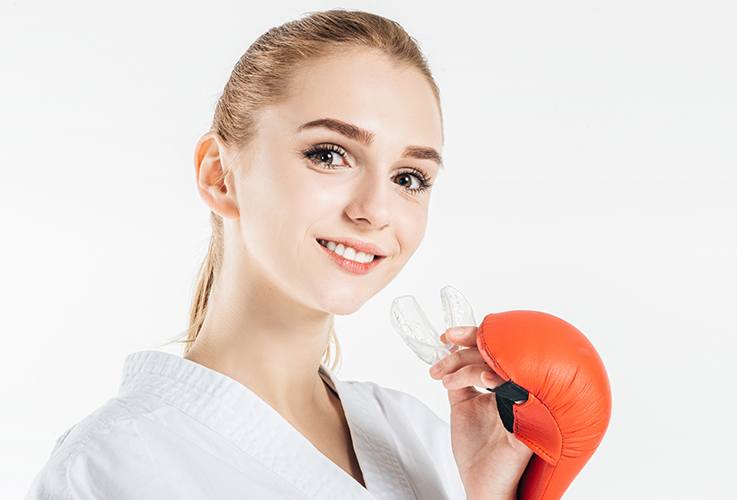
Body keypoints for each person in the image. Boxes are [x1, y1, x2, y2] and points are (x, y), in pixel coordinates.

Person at [25, 9, 532, 500]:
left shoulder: (423, 438)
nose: (376, 210)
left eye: (409, 178)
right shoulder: (110, 467)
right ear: (219, 175)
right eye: (330, 154)